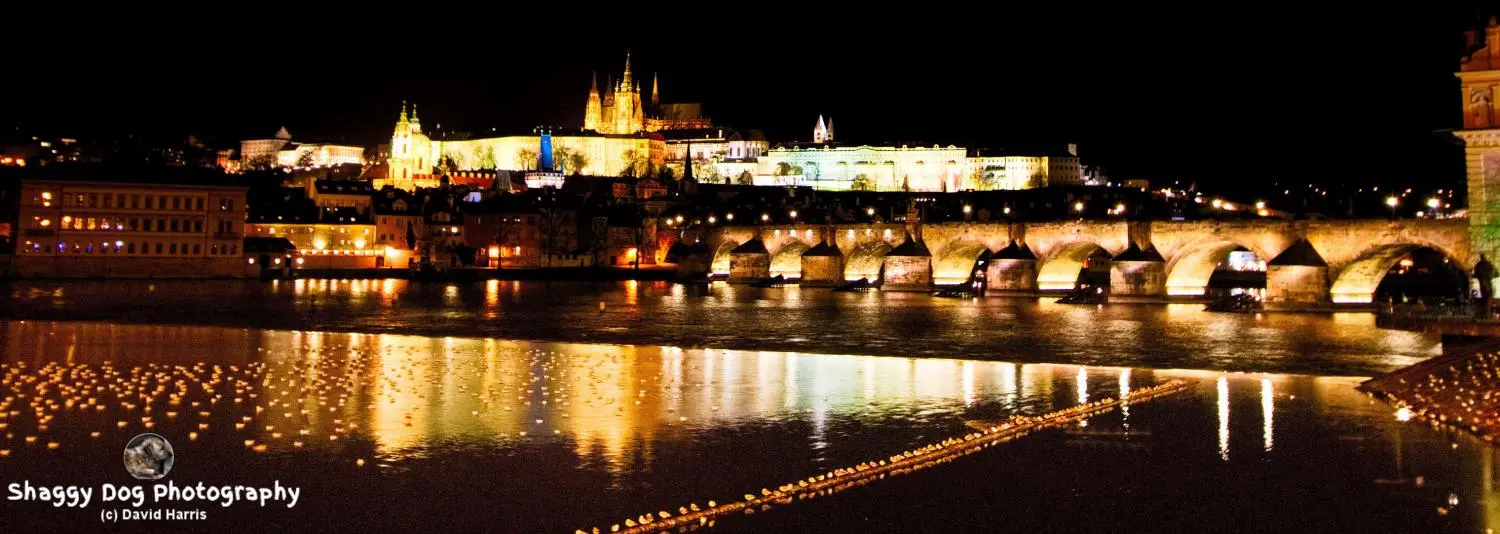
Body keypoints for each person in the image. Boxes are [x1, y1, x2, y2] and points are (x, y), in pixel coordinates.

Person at [1475, 254, 1496, 318]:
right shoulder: (1486, 264)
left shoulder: (1479, 265)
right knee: (1487, 298)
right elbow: (1492, 270)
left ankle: (1486, 314)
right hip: (1485, 283)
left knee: (1486, 298)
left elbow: (1477, 273)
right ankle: (1486, 314)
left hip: (1484, 283)